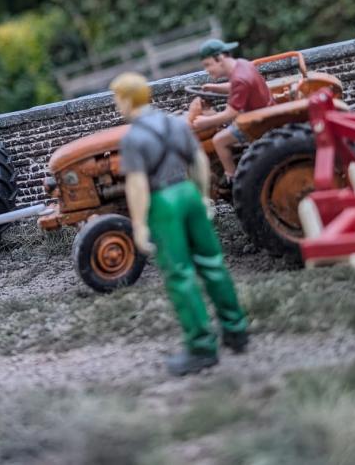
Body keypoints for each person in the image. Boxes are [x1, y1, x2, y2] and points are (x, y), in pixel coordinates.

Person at [111, 72, 250, 376]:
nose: (116, 104)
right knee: (212, 263)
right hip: (188, 193)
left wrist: (139, 225)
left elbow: (137, 184)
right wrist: (201, 196)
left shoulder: (133, 138)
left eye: (117, 99)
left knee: (180, 274)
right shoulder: (175, 124)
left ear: (128, 100)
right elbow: (198, 161)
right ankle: (236, 330)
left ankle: (201, 346)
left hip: (164, 201)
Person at [190, 38, 273, 185]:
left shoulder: (240, 79)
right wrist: (214, 88)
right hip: (263, 110)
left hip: (256, 121)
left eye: (208, 65)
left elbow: (230, 114)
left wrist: (205, 122)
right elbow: (236, 87)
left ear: (220, 58)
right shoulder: (242, 65)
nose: (207, 70)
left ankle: (232, 179)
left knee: (219, 140)